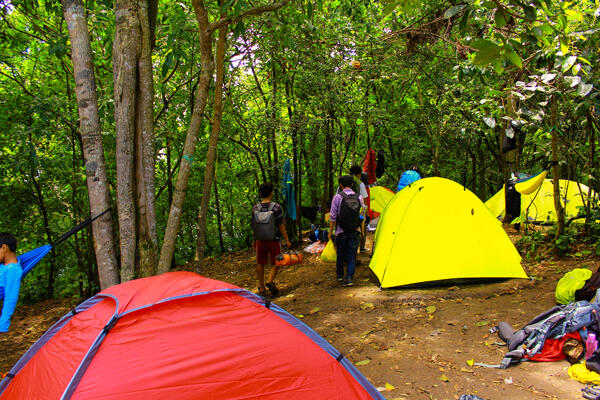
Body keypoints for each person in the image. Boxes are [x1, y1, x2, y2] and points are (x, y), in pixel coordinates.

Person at [251, 182, 291, 297]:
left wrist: (254, 240)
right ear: (271, 193)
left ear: (260, 193)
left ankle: (262, 287)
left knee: (260, 262)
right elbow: (281, 225)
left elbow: (254, 226)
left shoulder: (255, 208)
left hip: (260, 240)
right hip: (274, 239)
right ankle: (270, 280)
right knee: (277, 260)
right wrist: (287, 240)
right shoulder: (276, 207)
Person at [329, 175, 365, 287]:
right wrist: (361, 229)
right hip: (355, 230)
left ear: (340, 185)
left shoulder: (337, 197)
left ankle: (340, 276)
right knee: (352, 255)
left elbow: (333, 216)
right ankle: (349, 278)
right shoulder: (359, 197)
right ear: (352, 184)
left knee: (340, 254)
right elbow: (362, 214)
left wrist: (331, 232)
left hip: (341, 231)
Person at [0, 233, 22, 333]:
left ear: (4, 248)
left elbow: (10, 297)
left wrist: (3, 323)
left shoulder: (12, 270)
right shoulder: (4, 265)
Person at [349, 165, 369, 252]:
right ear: (359, 174)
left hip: (346, 211)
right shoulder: (360, 184)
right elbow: (364, 200)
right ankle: (361, 247)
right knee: (361, 228)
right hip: (358, 211)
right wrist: (366, 215)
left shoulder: (344, 182)